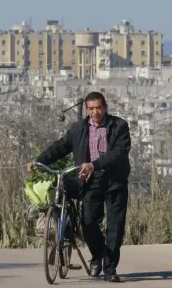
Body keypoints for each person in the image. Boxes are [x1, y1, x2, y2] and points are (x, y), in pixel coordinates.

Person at [27, 91, 131, 282]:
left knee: (115, 227)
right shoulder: (79, 129)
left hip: (115, 181)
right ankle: (98, 254)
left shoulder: (119, 126)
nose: (95, 112)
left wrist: (95, 164)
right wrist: (39, 160)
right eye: (91, 109)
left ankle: (110, 269)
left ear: (105, 107)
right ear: (86, 109)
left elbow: (119, 153)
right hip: (91, 181)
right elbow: (61, 146)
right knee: (88, 222)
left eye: (98, 108)